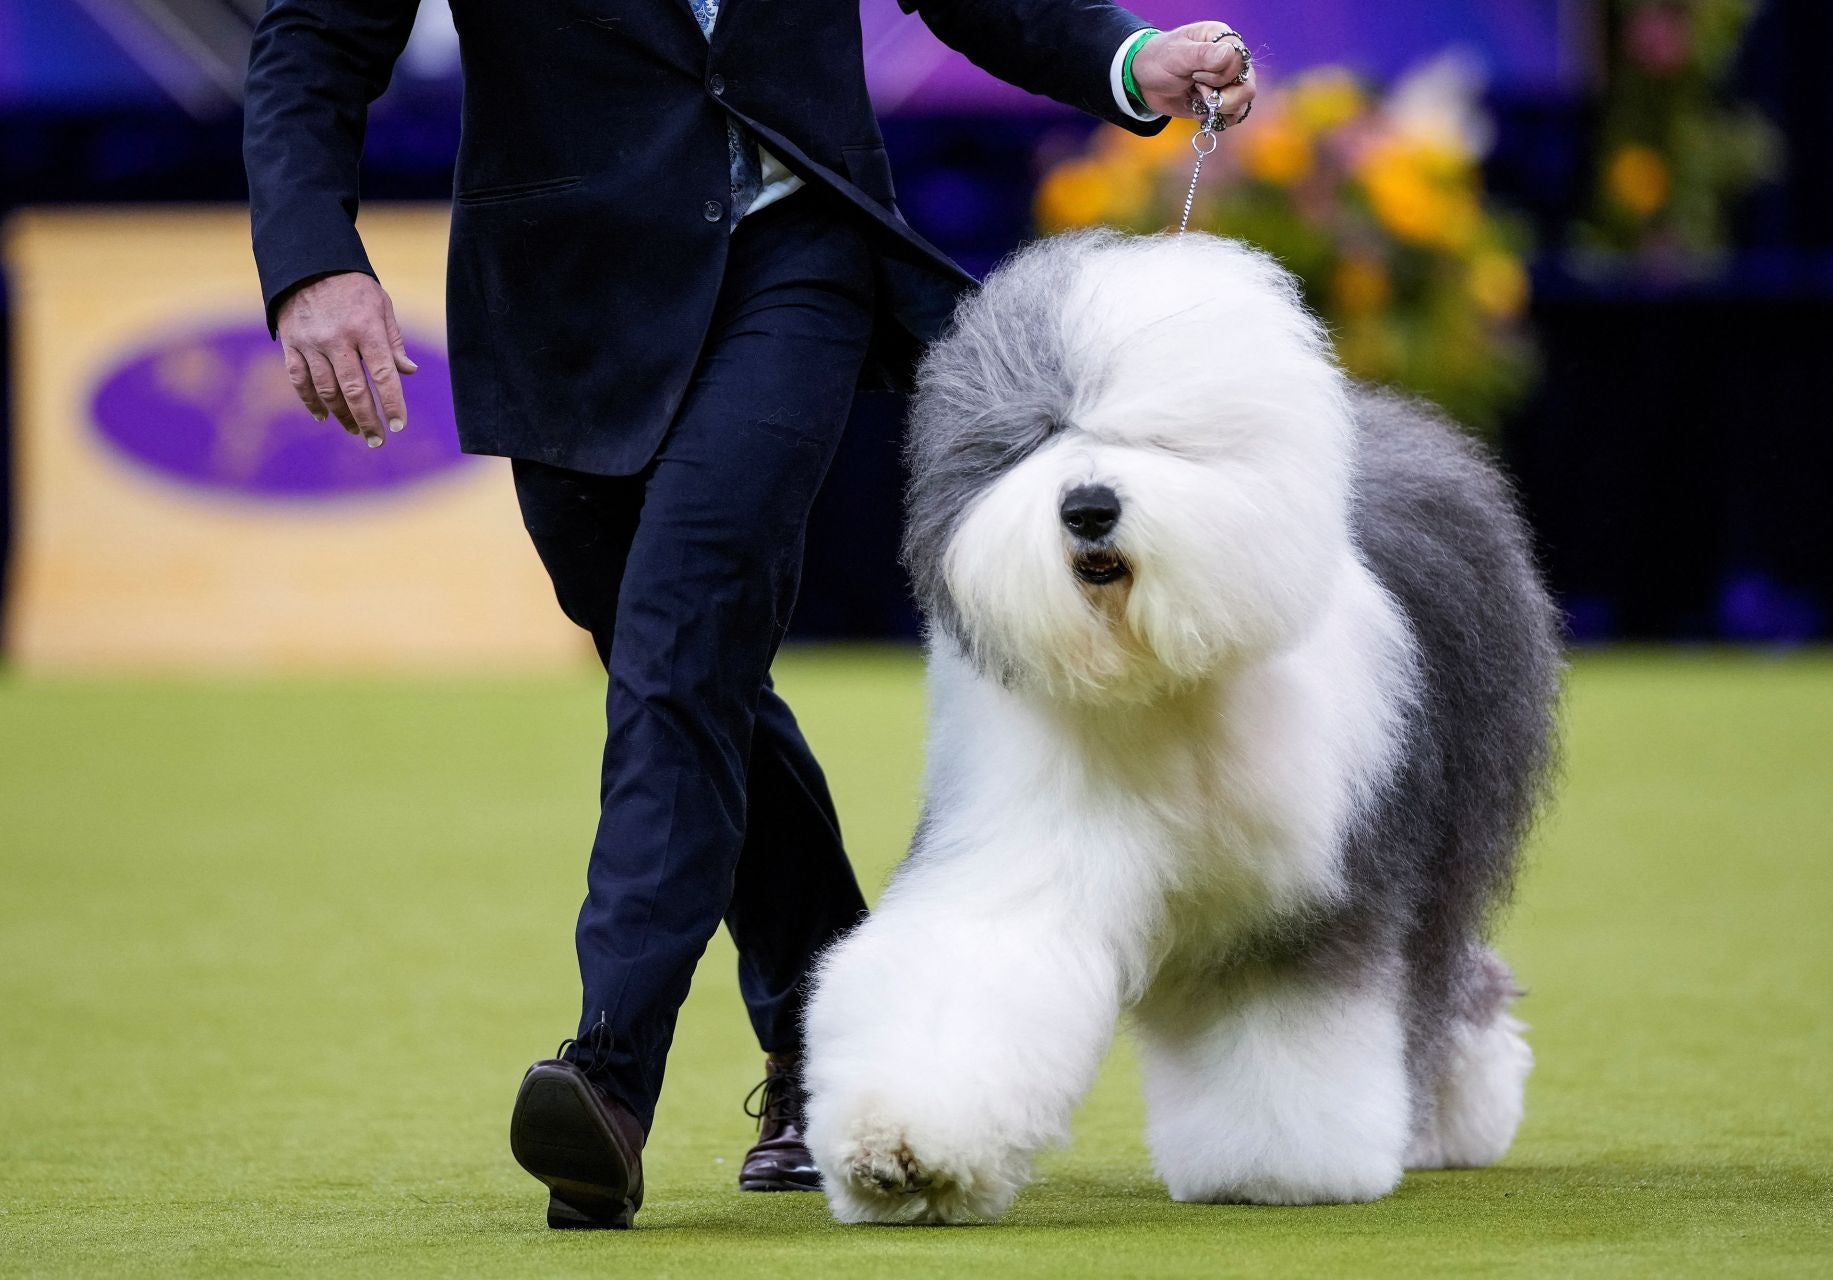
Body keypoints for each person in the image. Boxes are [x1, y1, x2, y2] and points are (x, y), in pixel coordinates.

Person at [244, 0, 1257, 1229]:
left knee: (683, 635)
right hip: (566, 288)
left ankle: (609, 1073)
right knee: (684, 663)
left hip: (800, 246)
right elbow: (315, 35)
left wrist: (1128, 57)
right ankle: (829, 1033)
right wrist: (310, 254)